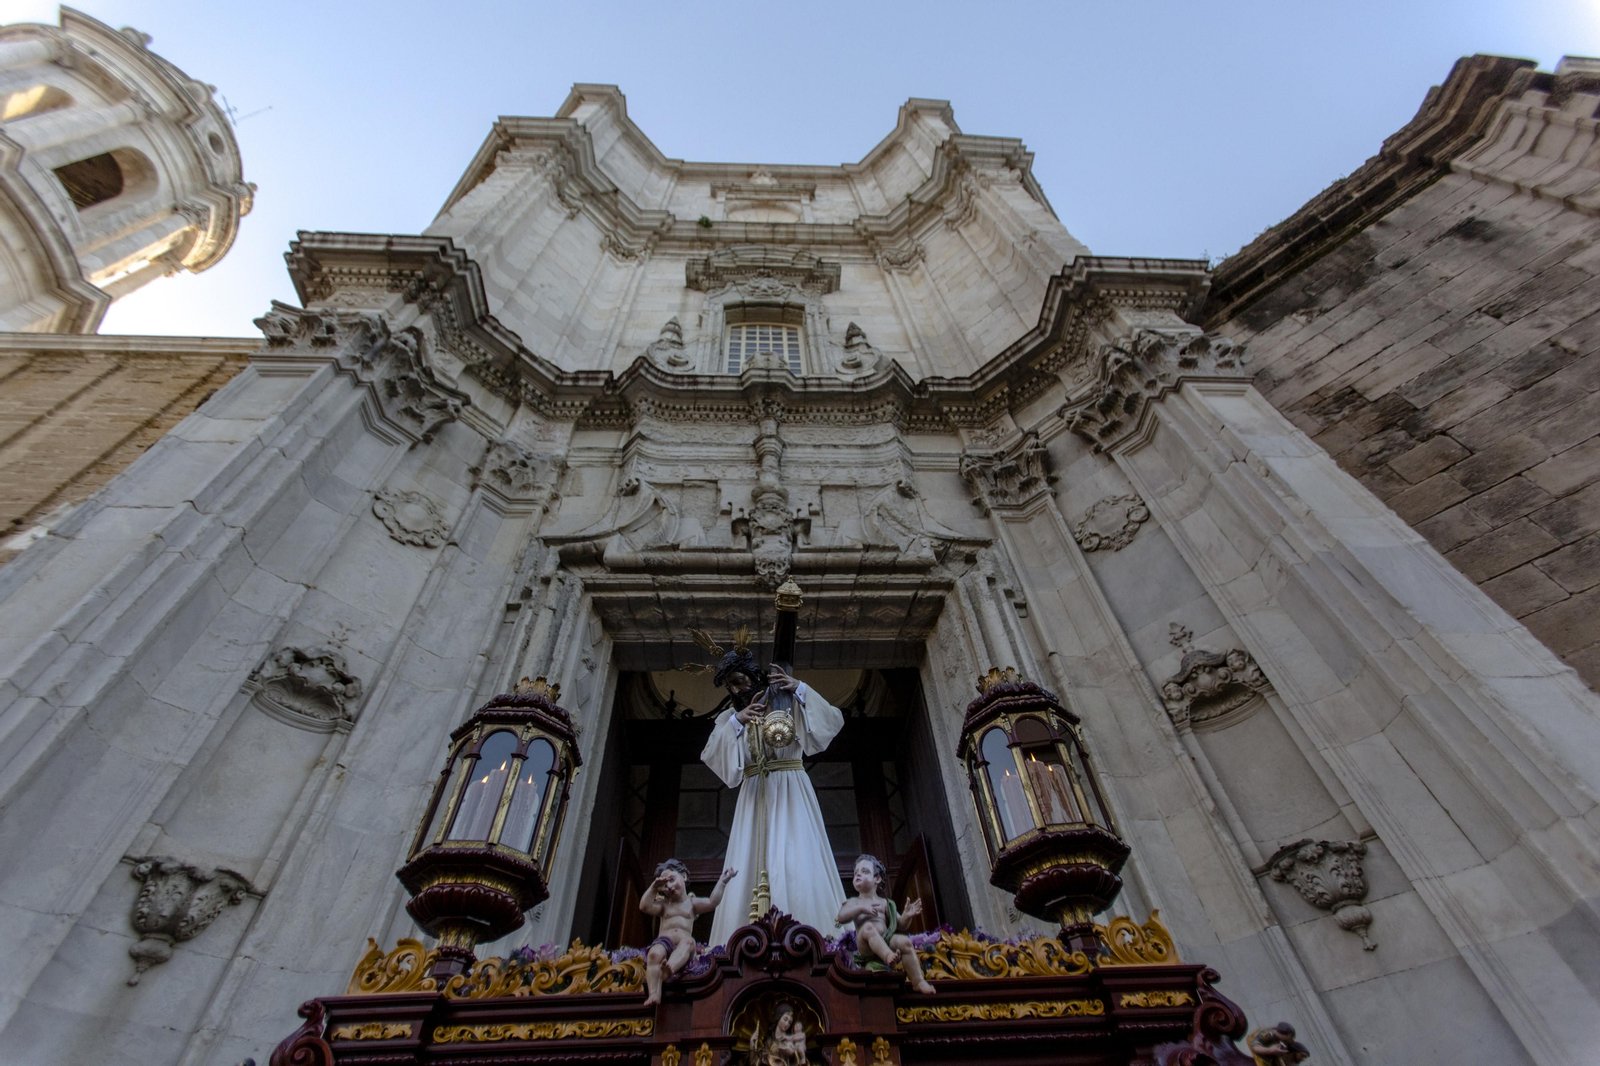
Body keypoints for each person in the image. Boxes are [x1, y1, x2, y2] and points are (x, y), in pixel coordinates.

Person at [700, 648, 846, 945]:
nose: (736, 690)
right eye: (730, 686)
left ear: (755, 677)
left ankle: (809, 939)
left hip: (791, 789)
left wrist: (801, 689)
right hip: (754, 794)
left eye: (739, 681)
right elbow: (714, 757)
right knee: (748, 861)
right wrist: (737, 721)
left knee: (797, 858)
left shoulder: (786, 701)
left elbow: (831, 724)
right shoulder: (732, 716)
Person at [638, 858, 735, 1006]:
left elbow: (712, 902)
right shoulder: (664, 905)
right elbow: (644, 907)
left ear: (683, 876)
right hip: (665, 942)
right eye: (664, 885)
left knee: (689, 942)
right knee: (653, 954)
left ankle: (669, 969)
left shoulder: (691, 904)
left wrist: (722, 881)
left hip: (683, 945)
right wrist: (652, 888)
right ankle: (654, 994)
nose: (669, 886)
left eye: (671, 879)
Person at [836, 853, 935, 994]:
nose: (858, 875)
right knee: (869, 927)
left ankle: (918, 981)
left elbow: (900, 925)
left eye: (864, 872)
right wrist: (861, 908)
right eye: (856, 872)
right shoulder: (854, 902)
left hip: (886, 939)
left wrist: (907, 916)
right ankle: (888, 956)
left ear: (877, 878)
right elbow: (841, 918)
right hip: (866, 944)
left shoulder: (884, 903)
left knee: (905, 942)